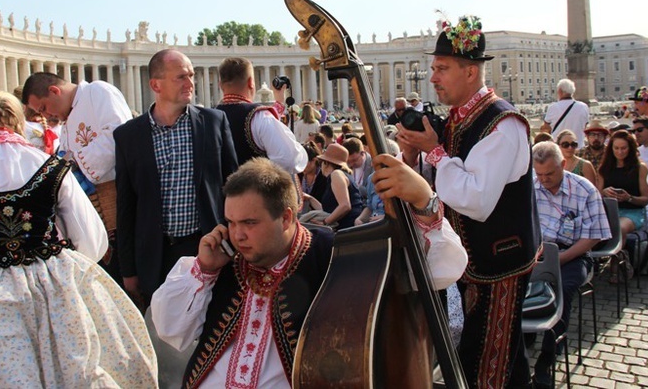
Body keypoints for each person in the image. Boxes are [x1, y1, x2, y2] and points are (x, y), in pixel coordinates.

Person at [151, 157, 467, 388]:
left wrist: (425, 202)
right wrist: (204, 270)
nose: (237, 235)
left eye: (249, 223)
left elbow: (436, 271)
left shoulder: (337, 255)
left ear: (287, 218)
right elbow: (170, 329)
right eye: (231, 223)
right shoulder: (224, 263)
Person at [0, 92, 157, 387]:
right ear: (18, 123)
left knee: (5, 375)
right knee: (71, 369)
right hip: (51, 281)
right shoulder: (51, 165)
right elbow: (90, 239)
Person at [393, 15, 540, 387]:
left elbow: (475, 199)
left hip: (499, 264)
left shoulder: (502, 124)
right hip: (476, 266)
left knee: (489, 360)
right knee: (497, 355)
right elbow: (442, 184)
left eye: (442, 68)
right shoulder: (459, 119)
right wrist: (414, 156)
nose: (432, 78)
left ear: (470, 72)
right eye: (433, 68)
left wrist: (436, 152)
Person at [114, 49, 238, 305]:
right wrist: (128, 270)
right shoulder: (128, 135)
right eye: (181, 77)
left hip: (207, 248)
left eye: (191, 75)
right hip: (155, 256)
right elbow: (126, 207)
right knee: (163, 333)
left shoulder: (214, 121)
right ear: (155, 85)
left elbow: (234, 186)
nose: (190, 83)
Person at [22, 71, 133, 284]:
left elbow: (120, 134)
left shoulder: (97, 92)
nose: (45, 117)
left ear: (54, 91)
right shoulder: (68, 119)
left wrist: (75, 163)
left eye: (44, 108)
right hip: (92, 209)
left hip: (116, 203)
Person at [531, 141, 610, 388]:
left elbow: (594, 236)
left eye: (550, 174)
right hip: (537, 252)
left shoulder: (584, 189)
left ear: (563, 165)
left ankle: (547, 357)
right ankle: (523, 339)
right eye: (539, 174)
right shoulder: (529, 187)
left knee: (562, 289)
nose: (544, 180)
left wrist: (562, 258)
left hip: (573, 253)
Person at [598, 130, 648, 281]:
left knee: (619, 228)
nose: (620, 152)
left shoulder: (640, 168)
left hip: (633, 212)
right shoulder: (604, 169)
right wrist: (604, 192)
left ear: (631, 148)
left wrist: (629, 197)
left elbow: (645, 199)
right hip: (610, 210)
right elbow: (596, 194)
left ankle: (615, 266)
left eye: (624, 148)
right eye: (616, 148)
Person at [301, 143, 364, 230]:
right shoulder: (337, 175)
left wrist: (325, 222)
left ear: (326, 163)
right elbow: (328, 209)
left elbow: (345, 206)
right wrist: (310, 198)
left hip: (346, 229)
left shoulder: (336, 174)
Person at [541, 78, 590, 148]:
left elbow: (546, 128)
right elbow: (585, 126)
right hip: (578, 146)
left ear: (560, 91)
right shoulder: (584, 106)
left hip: (559, 148)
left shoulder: (553, 107)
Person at [298, 142, 327, 215]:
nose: (302, 166)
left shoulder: (323, 177)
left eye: (304, 162)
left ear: (314, 160)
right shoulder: (299, 174)